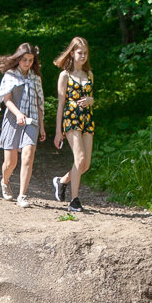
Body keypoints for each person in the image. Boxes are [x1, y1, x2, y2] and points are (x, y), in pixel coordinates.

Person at [0, 43, 46, 208]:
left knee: (28, 157)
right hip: (13, 120)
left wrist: (42, 126)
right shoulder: (10, 75)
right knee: (11, 162)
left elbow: (40, 103)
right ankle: (5, 180)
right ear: (18, 59)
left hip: (32, 122)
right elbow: (6, 99)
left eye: (31, 60)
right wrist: (18, 114)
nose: (27, 63)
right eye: (24, 60)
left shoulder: (36, 78)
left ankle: (22, 195)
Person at [52, 37, 94, 213]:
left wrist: (91, 100)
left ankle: (62, 181)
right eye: (79, 53)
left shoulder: (89, 74)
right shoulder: (65, 75)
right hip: (71, 119)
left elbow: (92, 98)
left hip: (87, 119)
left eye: (85, 53)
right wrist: (57, 131)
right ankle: (74, 200)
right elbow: (61, 104)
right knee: (80, 159)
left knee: (86, 164)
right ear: (72, 53)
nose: (83, 56)